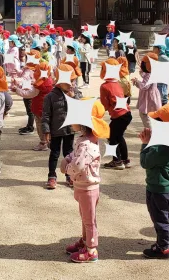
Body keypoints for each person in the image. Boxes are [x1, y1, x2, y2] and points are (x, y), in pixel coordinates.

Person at [61, 101, 110, 263]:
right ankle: (85, 241)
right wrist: (68, 158)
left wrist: (66, 168)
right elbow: (75, 155)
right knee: (84, 216)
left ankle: (91, 250)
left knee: (89, 219)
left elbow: (78, 164)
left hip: (88, 188)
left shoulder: (89, 144)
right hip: (82, 185)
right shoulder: (83, 139)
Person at [139, 103, 169, 259]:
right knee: (164, 216)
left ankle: (163, 248)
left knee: (160, 220)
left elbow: (145, 162)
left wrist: (145, 143)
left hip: (159, 189)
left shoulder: (161, 146)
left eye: (156, 120)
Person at [42, 64, 76, 189]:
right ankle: (51, 176)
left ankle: (69, 175)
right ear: (60, 82)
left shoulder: (74, 93)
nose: (71, 84)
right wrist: (46, 131)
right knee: (54, 154)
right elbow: (45, 116)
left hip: (70, 130)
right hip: (55, 130)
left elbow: (81, 110)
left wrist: (74, 98)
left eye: (73, 80)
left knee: (69, 154)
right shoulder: (50, 97)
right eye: (69, 81)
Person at [12, 60, 54, 151]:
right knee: (48, 125)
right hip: (49, 108)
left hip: (39, 108)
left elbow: (30, 94)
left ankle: (43, 143)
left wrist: (17, 90)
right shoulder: (50, 80)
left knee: (40, 126)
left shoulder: (39, 84)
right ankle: (49, 141)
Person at [100, 58, 133, 170]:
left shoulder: (104, 86)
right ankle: (125, 159)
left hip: (118, 116)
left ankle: (117, 161)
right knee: (119, 136)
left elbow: (104, 104)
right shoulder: (117, 83)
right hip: (127, 114)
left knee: (111, 136)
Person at [132, 53, 162, 129]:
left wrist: (137, 81)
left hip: (149, 98)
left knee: (144, 114)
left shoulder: (150, 75)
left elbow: (145, 86)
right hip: (151, 96)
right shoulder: (153, 72)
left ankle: (150, 130)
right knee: (151, 114)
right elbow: (146, 76)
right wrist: (141, 73)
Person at [16, 49, 41, 135]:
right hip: (26, 90)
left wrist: (17, 81)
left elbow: (24, 79)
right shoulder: (29, 68)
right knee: (29, 110)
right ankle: (29, 125)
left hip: (29, 92)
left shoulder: (32, 69)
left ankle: (30, 127)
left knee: (30, 111)